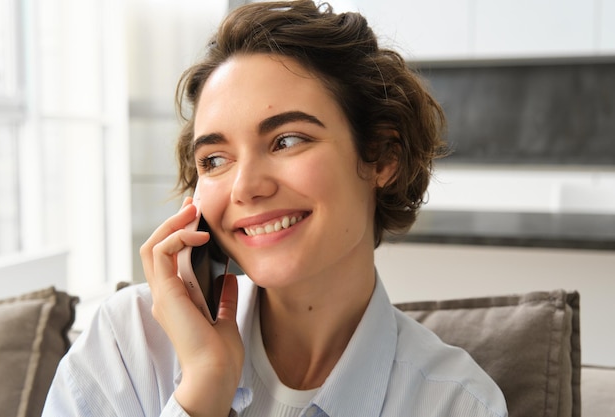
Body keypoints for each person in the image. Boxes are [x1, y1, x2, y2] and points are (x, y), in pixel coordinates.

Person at [43, 1, 508, 416]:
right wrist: (204, 387)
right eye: (215, 160)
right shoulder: (127, 346)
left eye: (287, 140)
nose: (245, 187)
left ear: (384, 155)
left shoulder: (456, 403)